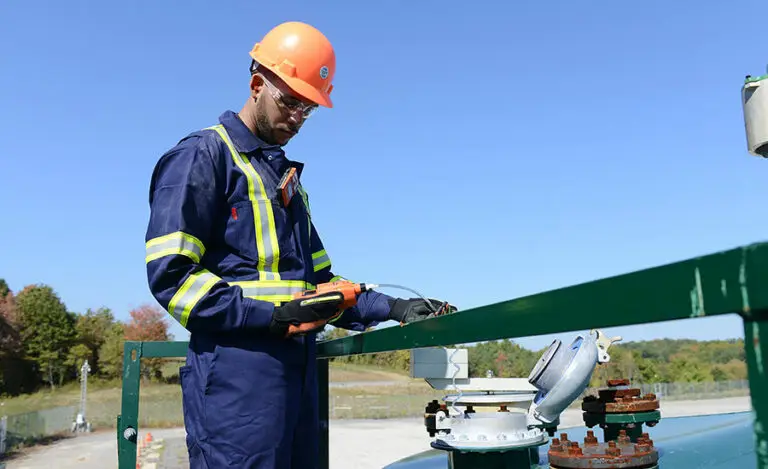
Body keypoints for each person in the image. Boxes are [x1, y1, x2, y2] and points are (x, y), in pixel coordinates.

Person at [143, 21, 455, 469]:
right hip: (238, 378)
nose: (297, 118)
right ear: (256, 85)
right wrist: (270, 317)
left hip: (299, 375)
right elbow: (173, 278)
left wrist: (395, 309)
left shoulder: (285, 182)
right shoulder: (202, 157)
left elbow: (321, 284)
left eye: (307, 109)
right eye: (290, 102)